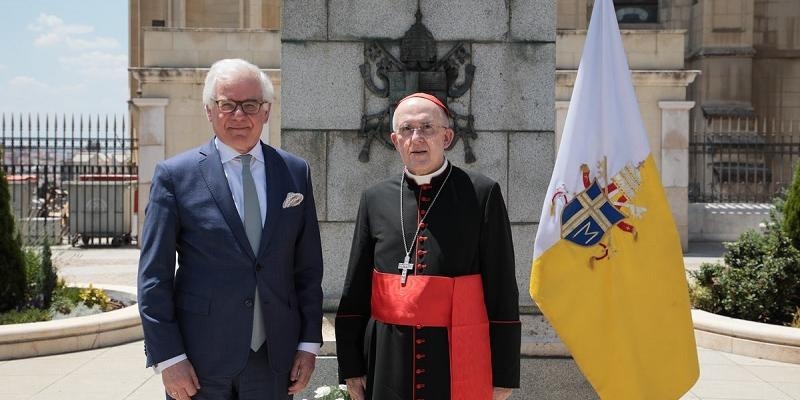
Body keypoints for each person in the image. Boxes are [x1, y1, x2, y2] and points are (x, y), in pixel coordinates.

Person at [137, 58, 323, 400]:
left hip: (274, 362)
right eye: (227, 105)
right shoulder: (175, 176)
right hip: (198, 363)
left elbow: (307, 269)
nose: (239, 115)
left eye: (250, 105)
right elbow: (154, 277)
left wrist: (308, 344)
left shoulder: (295, 173)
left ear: (266, 111)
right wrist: (168, 357)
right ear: (209, 111)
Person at [335, 93, 521, 400]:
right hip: (388, 357)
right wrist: (352, 366)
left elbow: (501, 286)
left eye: (427, 128)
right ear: (395, 140)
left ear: (446, 137)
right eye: (406, 129)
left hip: (454, 353)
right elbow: (355, 288)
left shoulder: (481, 193)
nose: (416, 138)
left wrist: (504, 372)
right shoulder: (375, 198)